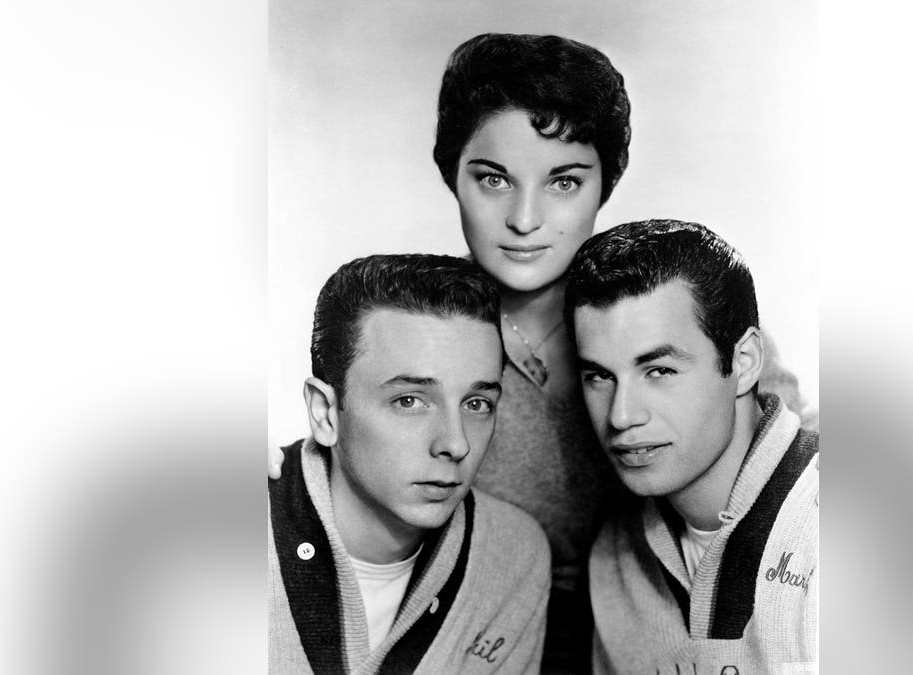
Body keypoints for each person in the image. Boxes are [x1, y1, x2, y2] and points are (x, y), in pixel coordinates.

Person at [271, 33, 816, 672]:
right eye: (494, 179)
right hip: (482, 634)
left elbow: (791, 473)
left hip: (658, 628)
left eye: (563, 181)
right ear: (452, 177)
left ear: (604, 187)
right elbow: (352, 437)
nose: (526, 218)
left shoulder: (660, 309)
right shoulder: (429, 327)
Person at [268, 254, 550, 674]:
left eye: (477, 403)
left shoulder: (512, 554)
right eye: (409, 401)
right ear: (326, 413)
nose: (455, 443)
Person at [565, 220, 818, 674]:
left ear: (744, 362)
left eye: (659, 371)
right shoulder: (613, 557)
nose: (621, 416)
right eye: (599, 377)